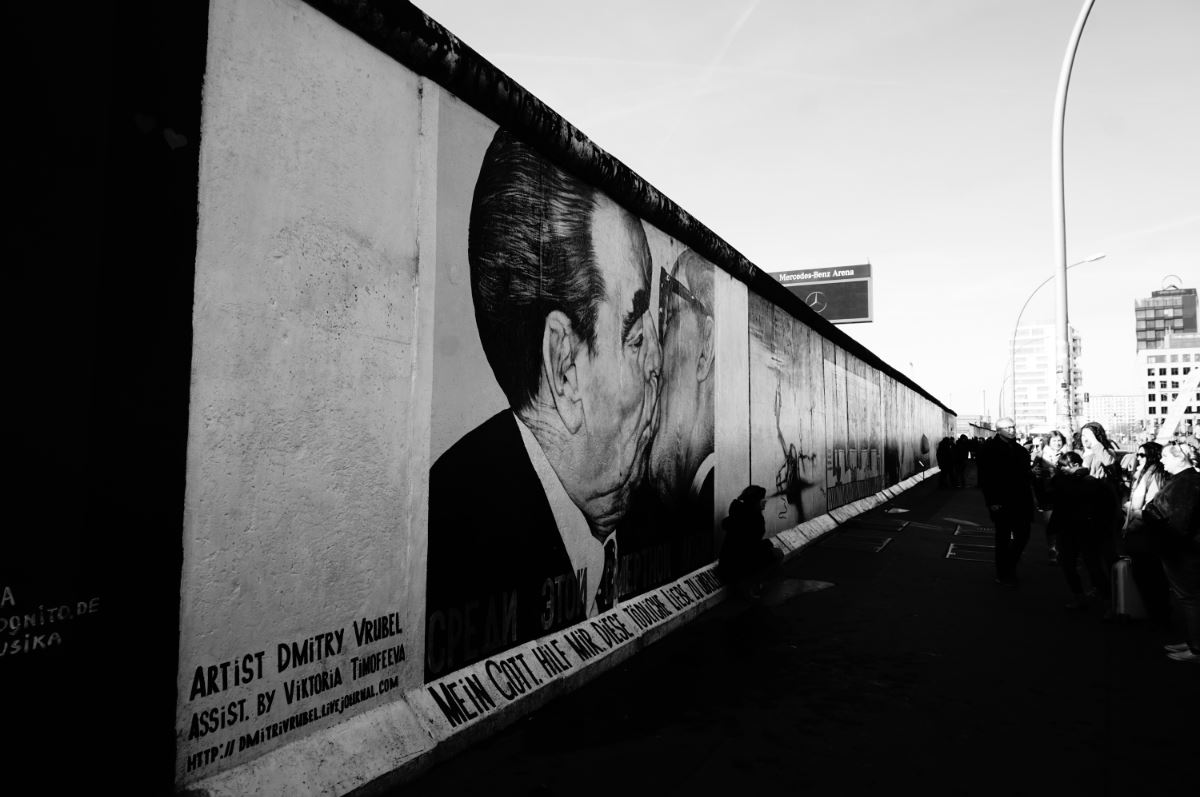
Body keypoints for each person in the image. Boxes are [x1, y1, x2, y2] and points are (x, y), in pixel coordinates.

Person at [425, 130, 662, 679]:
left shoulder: (648, 514)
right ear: (564, 369)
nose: (658, 361)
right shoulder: (457, 545)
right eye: (634, 333)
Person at [617, 248, 716, 593]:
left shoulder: (710, 500)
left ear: (706, 348)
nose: (655, 357)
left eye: (669, 316)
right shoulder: (645, 502)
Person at [1143, 439, 1200, 663]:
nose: (1162, 461)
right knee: (1188, 599)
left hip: (1182, 551)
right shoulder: (1184, 480)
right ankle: (1192, 643)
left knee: (1190, 599)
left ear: (1179, 457)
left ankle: (1196, 648)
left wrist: (1150, 514)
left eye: (1166, 456)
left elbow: (1179, 522)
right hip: (1181, 549)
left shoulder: (1186, 482)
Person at [1050, 451, 1115, 611]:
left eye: (1064, 466)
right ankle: (1105, 600)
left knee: (1080, 565)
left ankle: (1090, 598)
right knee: (1089, 565)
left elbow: (1057, 502)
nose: (1062, 469)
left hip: (1077, 529)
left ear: (1076, 465)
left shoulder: (1079, 482)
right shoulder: (1091, 482)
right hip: (1085, 529)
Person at [977, 417, 1035, 587]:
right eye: (1007, 427)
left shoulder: (1020, 450)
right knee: (1002, 538)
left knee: (1023, 536)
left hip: (1022, 500)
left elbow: (1024, 474)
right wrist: (992, 501)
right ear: (998, 430)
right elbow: (986, 478)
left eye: (1013, 427)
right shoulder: (988, 449)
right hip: (1001, 501)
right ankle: (1004, 573)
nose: (1012, 430)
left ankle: (1009, 566)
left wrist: (1033, 474)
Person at [1121, 442, 1170, 625]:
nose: (1138, 458)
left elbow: (1149, 508)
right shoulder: (1144, 474)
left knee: (1150, 576)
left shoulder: (1155, 475)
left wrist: (1132, 516)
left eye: (1142, 455)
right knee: (1149, 575)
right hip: (1142, 531)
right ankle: (1156, 614)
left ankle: (1158, 617)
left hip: (1145, 533)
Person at [716, 485, 782, 598]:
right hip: (738, 566)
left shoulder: (739, 513)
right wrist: (767, 544)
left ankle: (748, 586)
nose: (765, 502)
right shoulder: (754, 519)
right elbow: (750, 549)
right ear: (755, 501)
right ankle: (749, 588)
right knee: (777, 554)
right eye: (762, 499)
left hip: (726, 564)